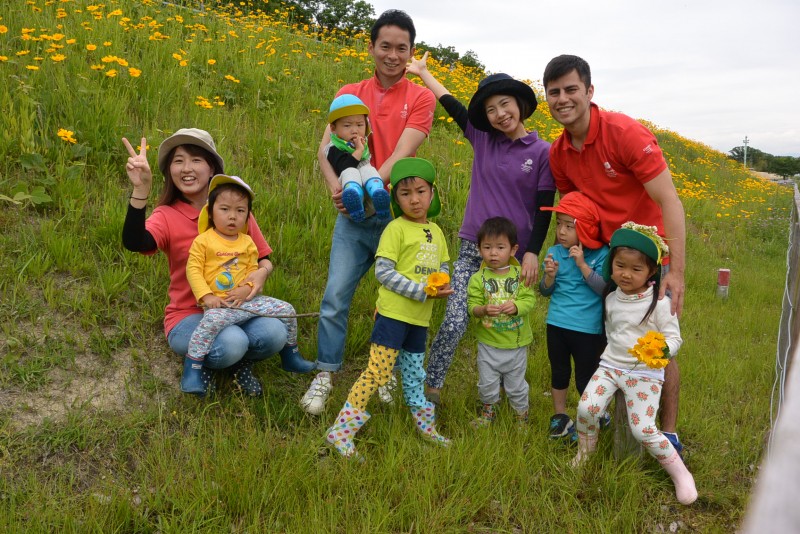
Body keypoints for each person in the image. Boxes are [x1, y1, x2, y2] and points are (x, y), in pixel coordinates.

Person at [543, 54, 687, 454]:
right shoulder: (559, 153)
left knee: (656, 342)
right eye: (553, 92)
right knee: (615, 338)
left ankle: (668, 432)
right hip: (607, 258)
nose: (562, 99)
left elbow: (670, 201)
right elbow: (574, 208)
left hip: (650, 255)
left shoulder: (625, 134)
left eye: (571, 89)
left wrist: (675, 272)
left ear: (589, 92)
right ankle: (621, 428)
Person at [302, 9, 436, 415]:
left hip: (396, 217)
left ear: (410, 52)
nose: (393, 55)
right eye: (385, 46)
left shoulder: (421, 97)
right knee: (334, 297)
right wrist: (337, 189)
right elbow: (326, 149)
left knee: (392, 301)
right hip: (352, 216)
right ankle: (326, 372)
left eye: (401, 48)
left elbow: (401, 152)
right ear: (371, 47)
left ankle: (383, 372)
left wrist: (369, 182)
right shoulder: (350, 91)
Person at [407, 53, 556, 406]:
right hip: (473, 246)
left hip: (514, 254)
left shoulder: (542, 151)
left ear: (519, 105)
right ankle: (431, 389)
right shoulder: (482, 138)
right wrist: (425, 73)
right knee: (457, 318)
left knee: (509, 321)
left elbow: (545, 207)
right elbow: (453, 106)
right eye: (491, 109)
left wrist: (532, 250)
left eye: (505, 105)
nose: (500, 114)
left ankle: (509, 393)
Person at [122, 128, 314, 397]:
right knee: (232, 343)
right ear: (169, 171)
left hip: (238, 306)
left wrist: (261, 274)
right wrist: (140, 191)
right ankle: (210, 364)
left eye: (196, 160)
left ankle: (241, 364)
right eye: (178, 161)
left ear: (212, 167)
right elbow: (135, 242)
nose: (186, 168)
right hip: (189, 315)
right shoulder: (166, 215)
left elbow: (263, 258)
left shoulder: (234, 210)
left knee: (274, 332)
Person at [325, 158, 451, 459]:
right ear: (395, 199)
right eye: (405, 194)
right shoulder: (395, 229)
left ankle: (425, 426)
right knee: (377, 373)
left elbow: (443, 265)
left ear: (432, 193)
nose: (415, 199)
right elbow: (383, 271)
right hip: (393, 316)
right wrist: (420, 290)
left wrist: (442, 284)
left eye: (420, 191)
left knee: (413, 374)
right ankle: (341, 431)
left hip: (419, 320)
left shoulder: (436, 231)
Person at [572, 224, 697, 506]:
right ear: (611, 265)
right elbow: (611, 331)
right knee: (586, 408)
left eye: (636, 269)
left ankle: (680, 473)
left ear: (652, 271)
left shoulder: (660, 304)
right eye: (619, 266)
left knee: (642, 429)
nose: (626, 274)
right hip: (610, 366)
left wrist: (661, 350)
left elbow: (674, 337)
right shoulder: (611, 297)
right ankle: (584, 453)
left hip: (644, 373)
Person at [182, 174, 310, 396]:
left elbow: (253, 271)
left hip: (249, 302)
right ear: (210, 212)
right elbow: (193, 270)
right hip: (221, 304)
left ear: (248, 216)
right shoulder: (203, 241)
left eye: (240, 211)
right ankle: (193, 367)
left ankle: (291, 355)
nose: (232, 217)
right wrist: (206, 297)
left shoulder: (248, 242)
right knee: (209, 322)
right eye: (225, 209)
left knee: (287, 310)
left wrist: (248, 289)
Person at [538, 192, 609, 440]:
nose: (561, 231)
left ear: (586, 229)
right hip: (556, 323)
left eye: (569, 226)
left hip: (587, 329)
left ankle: (593, 415)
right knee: (559, 371)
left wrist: (581, 264)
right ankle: (560, 417)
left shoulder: (601, 254)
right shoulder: (555, 252)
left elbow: (604, 289)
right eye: (559, 224)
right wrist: (549, 276)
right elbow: (544, 291)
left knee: (585, 377)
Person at [466, 217, 536, 428]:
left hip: (515, 344)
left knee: (516, 385)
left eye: (500, 247)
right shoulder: (478, 278)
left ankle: (521, 416)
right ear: (479, 249)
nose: (493, 253)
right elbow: (472, 306)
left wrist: (516, 307)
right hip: (488, 342)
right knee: (487, 383)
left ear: (513, 250)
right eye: (487, 247)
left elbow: (529, 300)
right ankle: (489, 411)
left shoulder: (520, 274)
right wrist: (482, 310)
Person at [325, 94, 391, 222]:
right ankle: (354, 197)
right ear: (333, 128)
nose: (354, 130)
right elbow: (345, 166)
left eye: (360, 125)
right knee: (351, 172)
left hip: (365, 177)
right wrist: (359, 150)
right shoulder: (334, 147)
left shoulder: (361, 141)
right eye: (347, 126)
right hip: (347, 179)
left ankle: (377, 192)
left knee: (369, 169)